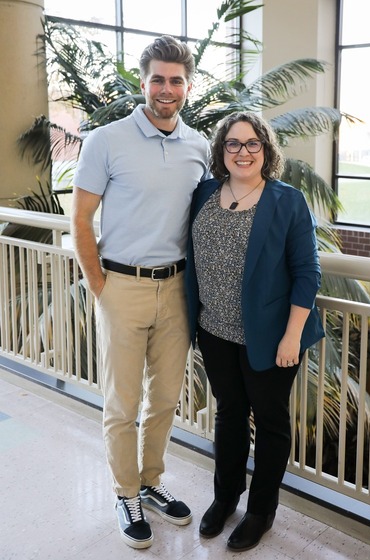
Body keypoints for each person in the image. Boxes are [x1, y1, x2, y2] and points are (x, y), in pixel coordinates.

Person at [71, 35, 210, 550]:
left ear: (188, 86)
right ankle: (125, 492)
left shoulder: (198, 146)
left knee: (165, 400)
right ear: (143, 81)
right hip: (121, 286)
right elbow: (80, 219)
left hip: (176, 289)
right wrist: (100, 288)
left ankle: (151, 482)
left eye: (176, 80)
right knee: (122, 403)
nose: (166, 88)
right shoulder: (106, 140)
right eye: (158, 78)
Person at [185, 111, 325, 552]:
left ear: (266, 151)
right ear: (220, 151)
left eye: (252, 144)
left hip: (272, 336)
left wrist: (292, 335)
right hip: (214, 330)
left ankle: (261, 511)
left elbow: (307, 271)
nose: (243, 152)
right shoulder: (205, 193)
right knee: (227, 415)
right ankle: (225, 497)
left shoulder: (287, 200)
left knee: (269, 422)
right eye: (233, 144)